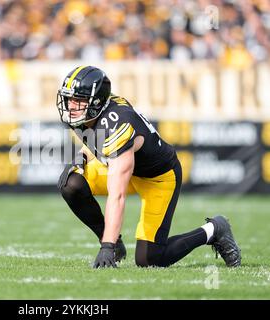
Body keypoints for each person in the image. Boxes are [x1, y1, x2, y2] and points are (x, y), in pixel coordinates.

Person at [56, 66, 241, 268]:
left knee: (149, 259)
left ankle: (214, 229)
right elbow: (95, 137)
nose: (71, 106)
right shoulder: (90, 113)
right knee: (71, 183)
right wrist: (81, 154)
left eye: (78, 100)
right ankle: (114, 242)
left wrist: (106, 248)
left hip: (158, 179)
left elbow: (117, 195)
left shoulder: (118, 125)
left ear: (96, 102)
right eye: (69, 99)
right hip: (129, 169)